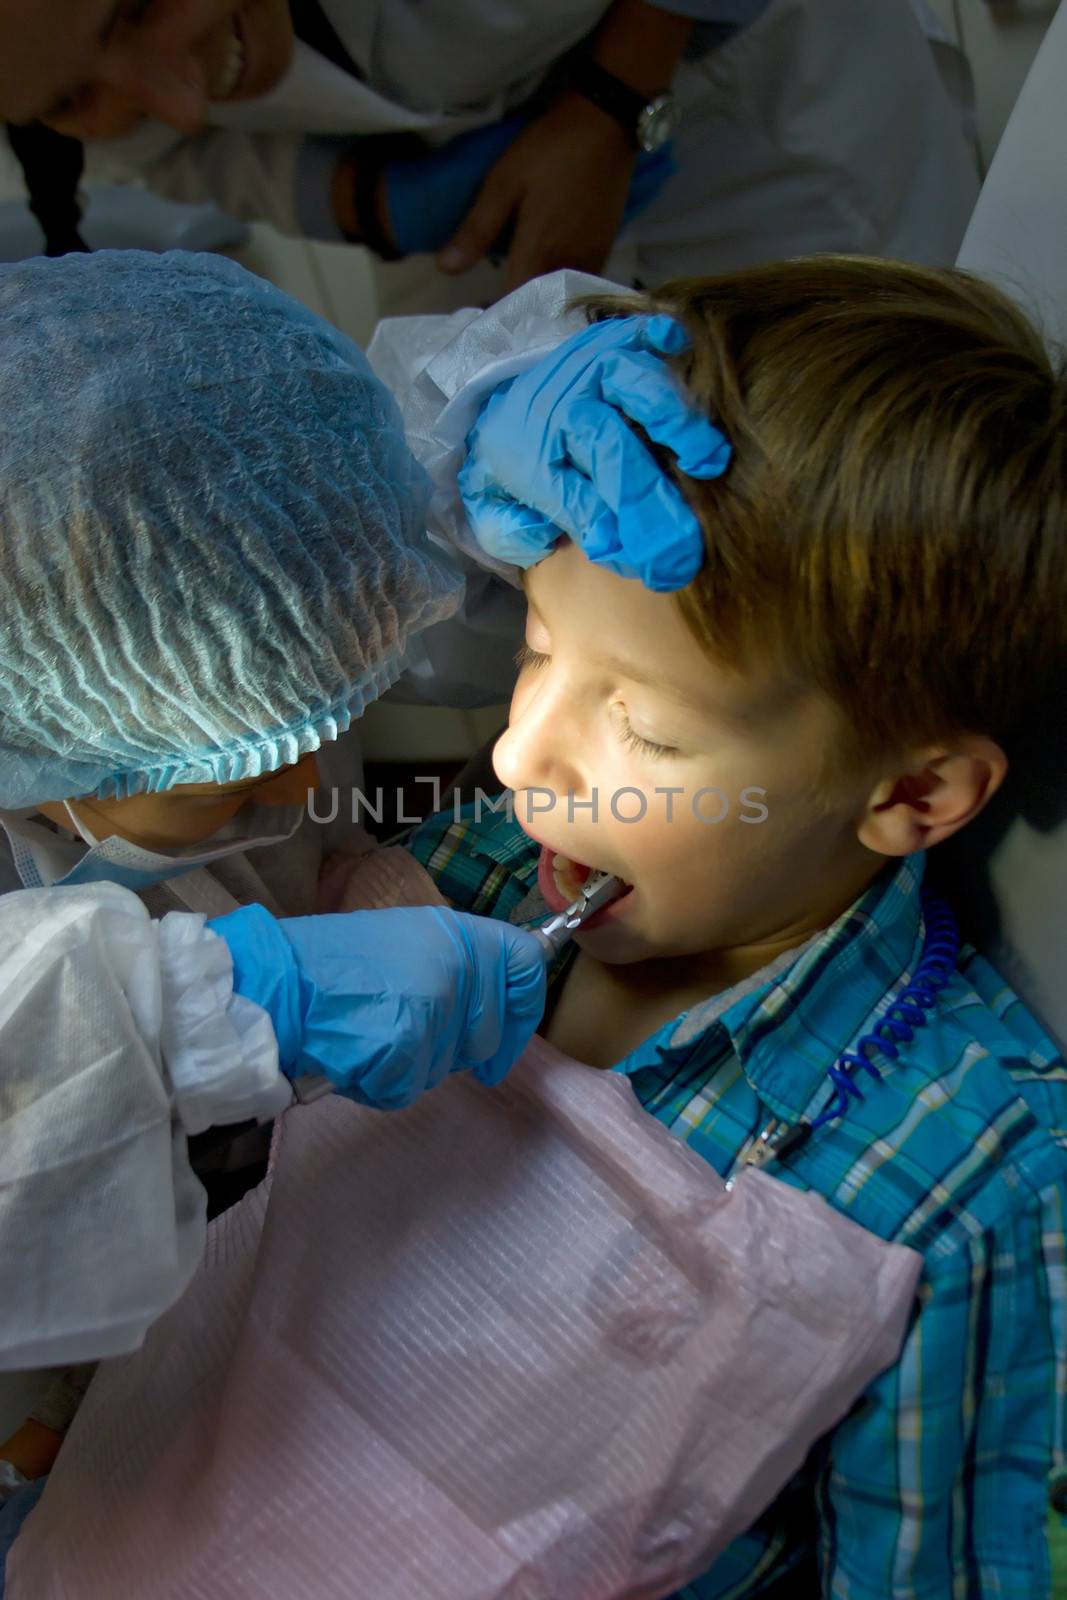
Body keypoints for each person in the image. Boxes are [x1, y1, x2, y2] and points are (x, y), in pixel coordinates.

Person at [392, 262, 1067, 1595]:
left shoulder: (957, 1174)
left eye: (643, 728)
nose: (523, 756)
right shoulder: (462, 866)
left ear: (912, 793)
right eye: (533, 649)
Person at [0, 244, 563, 1386]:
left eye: (334, 715)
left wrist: (505, 415)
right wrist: (203, 1012)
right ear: (36, 743)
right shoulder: (62, 646)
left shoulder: (220, 574)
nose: (308, 791)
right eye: (227, 780)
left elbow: (385, 525)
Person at [0, 0, 978, 298]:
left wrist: (607, 104)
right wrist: (370, 203)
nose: (176, 100)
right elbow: (153, 152)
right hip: (479, 210)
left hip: (758, 108)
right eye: (75, 93)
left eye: (141, 5)